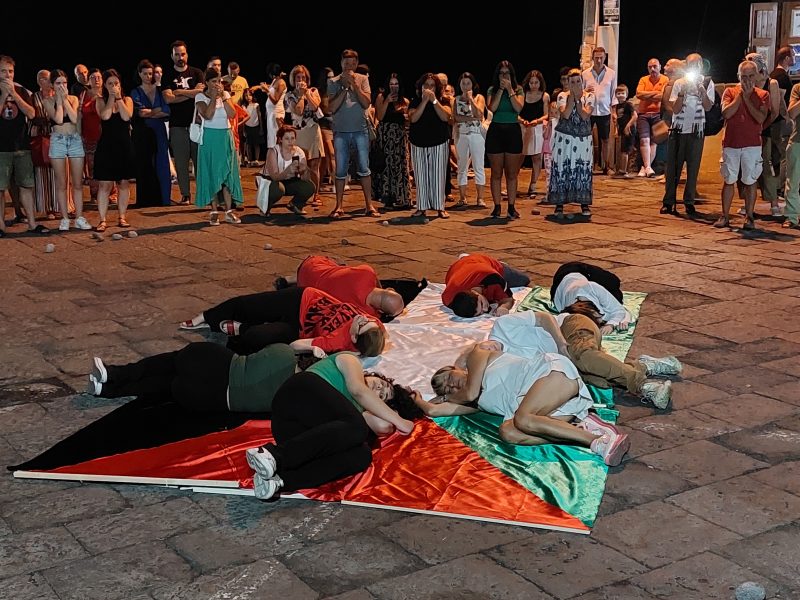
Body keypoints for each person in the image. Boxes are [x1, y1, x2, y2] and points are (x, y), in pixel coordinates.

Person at [244, 351, 422, 499]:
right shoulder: (350, 361)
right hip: (297, 394)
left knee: (362, 455)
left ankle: (280, 480)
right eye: (382, 385)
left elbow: (383, 426)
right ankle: (274, 455)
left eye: (382, 396)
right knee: (357, 427)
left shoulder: (354, 414)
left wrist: (410, 405)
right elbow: (358, 391)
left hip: (300, 435)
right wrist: (402, 423)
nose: (378, 390)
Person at [423, 345, 630, 466]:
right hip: (547, 407)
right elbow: (433, 410)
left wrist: (451, 397)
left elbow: (469, 392)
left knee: (523, 418)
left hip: (548, 373)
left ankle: (596, 441)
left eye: (449, 377)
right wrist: (415, 399)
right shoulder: (476, 402)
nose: (451, 386)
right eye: (447, 389)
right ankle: (577, 428)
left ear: (456, 367)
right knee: (508, 432)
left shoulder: (478, 356)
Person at [485, 310, 679, 409]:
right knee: (599, 381)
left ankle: (645, 385)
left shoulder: (502, 326)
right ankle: (645, 365)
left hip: (569, 327)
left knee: (582, 356)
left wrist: (561, 344)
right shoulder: (506, 362)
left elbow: (544, 318)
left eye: (482, 348)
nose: (487, 350)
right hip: (566, 359)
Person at [86, 343, 297, 413]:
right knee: (168, 384)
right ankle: (108, 390)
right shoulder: (296, 399)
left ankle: (116, 373)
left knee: (176, 361)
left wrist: (310, 346)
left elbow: (292, 345)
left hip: (218, 367)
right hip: (211, 399)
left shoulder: (285, 355)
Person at [180, 286, 387, 357]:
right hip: (303, 299)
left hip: (297, 329)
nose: (361, 317)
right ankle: (207, 317)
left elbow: (295, 345)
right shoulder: (373, 328)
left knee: (255, 337)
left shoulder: (337, 342)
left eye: (361, 323)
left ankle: (243, 328)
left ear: (353, 337)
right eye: (368, 320)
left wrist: (312, 348)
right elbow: (378, 336)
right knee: (249, 305)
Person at [714, 60, 769, 230]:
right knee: (728, 179)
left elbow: (760, 118)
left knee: (750, 180)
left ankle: (749, 216)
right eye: (743, 76)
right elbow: (726, 113)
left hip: (752, 144)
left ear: (757, 76)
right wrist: (740, 96)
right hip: (731, 143)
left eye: (751, 76)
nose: (747, 80)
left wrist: (747, 98)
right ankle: (725, 216)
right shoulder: (730, 92)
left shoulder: (762, 95)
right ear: (738, 76)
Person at [0, 55, 50, 237]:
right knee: (1, 188)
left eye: (10, 71)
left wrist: (13, 94)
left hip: (22, 146)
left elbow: (31, 112)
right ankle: (1, 226)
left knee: (26, 185)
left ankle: (31, 223)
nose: (7, 75)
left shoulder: (21, 91)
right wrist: (3, 96)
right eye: (3, 71)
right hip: (1, 148)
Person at [327, 49, 378, 219]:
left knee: (364, 168)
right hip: (341, 131)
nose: (349, 66)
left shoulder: (363, 80)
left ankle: (369, 205)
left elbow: (366, 103)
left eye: (352, 63)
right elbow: (332, 107)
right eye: (346, 63)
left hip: (360, 130)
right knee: (340, 169)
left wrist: (354, 86)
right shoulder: (333, 82)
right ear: (341, 63)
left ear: (356, 64)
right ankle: (339, 206)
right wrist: (344, 88)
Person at [661, 53, 714, 216]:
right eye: (691, 64)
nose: (694, 67)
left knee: (693, 167)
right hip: (678, 129)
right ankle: (669, 201)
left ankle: (689, 202)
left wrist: (702, 91)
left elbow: (708, 107)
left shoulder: (707, 82)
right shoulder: (679, 83)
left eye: (697, 64)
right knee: (673, 168)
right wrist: (682, 94)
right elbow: (674, 110)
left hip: (696, 130)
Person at [274, 255, 405, 320]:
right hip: (305, 291)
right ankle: (293, 281)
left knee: (340, 268)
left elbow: (375, 283)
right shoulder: (366, 313)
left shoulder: (367, 272)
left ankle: (291, 278)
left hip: (310, 266)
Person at [194, 68, 243, 226]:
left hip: (225, 136)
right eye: (214, 81)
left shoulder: (226, 95)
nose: (217, 84)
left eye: (219, 81)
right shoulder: (200, 97)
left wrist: (223, 96)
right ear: (207, 82)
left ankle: (229, 211)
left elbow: (232, 114)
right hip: (210, 138)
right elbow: (207, 116)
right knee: (212, 174)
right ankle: (214, 210)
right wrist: (214, 99)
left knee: (228, 173)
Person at [43, 70, 91, 231]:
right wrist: (59, 100)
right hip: (58, 140)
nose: (62, 86)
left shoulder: (73, 98)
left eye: (64, 83)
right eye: (58, 83)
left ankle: (79, 217)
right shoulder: (47, 101)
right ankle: (64, 218)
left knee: (77, 183)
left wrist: (65, 99)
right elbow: (57, 118)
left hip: (74, 139)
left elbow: (74, 117)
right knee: (62, 183)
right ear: (52, 85)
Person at [93, 69, 136, 231]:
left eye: (116, 83)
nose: (113, 86)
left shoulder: (127, 99)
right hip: (106, 146)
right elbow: (105, 116)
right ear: (105, 85)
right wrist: (111, 98)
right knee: (104, 184)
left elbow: (126, 116)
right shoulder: (100, 100)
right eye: (110, 83)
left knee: (124, 183)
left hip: (124, 145)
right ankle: (102, 219)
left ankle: (122, 216)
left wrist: (118, 98)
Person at [163, 40, 205, 205]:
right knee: (180, 163)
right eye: (177, 54)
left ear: (187, 54)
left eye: (183, 54)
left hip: (197, 123)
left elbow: (201, 93)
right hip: (177, 125)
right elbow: (168, 99)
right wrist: (191, 93)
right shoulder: (167, 75)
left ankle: (203, 194)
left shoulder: (197, 72)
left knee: (199, 161)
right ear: (172, 56)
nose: (180, 57)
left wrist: (179, 92)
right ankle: (185, 195)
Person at [549, 69, 594, 218]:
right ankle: (559, 204)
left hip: (583, 139)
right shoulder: (562, 96)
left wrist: (577, 101)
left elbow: (585, 115)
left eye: (578, 81)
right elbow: (566, 114)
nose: (575, 84)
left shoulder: (590, 96)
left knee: (582, 168)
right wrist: (571, 99)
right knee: (563, 166)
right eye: (572, 82)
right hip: (565, 138)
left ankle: (584, 203)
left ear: (582, 81)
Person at [408, 72, 452, 220]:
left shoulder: (444, 101)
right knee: (421, 177)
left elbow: (446, 117)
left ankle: (440, 207)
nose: (428, 88)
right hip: (418, 142)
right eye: (426, 85)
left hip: (439, 141)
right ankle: (422, 207)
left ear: (437, 88)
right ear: (421, 87)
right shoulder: (415, 102)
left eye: (432, 86)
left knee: (438, 175)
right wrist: (424, 102)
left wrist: (433, 101)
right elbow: (413, 118)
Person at [485, 60, 524, 219]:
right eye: (501, 73)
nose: (504, 76)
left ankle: (511, 206)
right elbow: (492, 108)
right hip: (496, 130)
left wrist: (510, 90)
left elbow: (518, 108)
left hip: (513, 130)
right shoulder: (492, 90)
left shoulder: (519, 89)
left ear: (511, 75)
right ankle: (497, 206)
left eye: (507, 73)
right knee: (496, 172)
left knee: (512, 173)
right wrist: (501, 90)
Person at [131, 59, 171, 207]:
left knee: (162, 164)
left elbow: (167, 111)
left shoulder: (160, 90)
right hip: (144, 132)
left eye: (151, 73)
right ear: (140, 74)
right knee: (145, 165)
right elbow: (141, 113)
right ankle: (146, 200)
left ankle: (164, 200)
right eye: (146, 74)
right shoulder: (136, 91)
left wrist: (152, 112)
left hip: (159, 130)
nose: (149, 76)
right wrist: (158, 111)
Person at [442, 253, 530, 318]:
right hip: (462, 267)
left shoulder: (493, 279)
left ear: (476, 293)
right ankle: (466, 258)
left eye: (482, 303)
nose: (485, 309)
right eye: (480, 313)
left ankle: (498, 263)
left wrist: (504, 307)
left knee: (524, 280)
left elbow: (508, 299)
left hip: (485, 264)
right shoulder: (448, 299)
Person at [373, 72, 411, 208]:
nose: (394, 86)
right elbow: (380, 116)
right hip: (385, 135)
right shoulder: (381, 97)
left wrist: (406, 117)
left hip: (399, 137)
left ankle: (401, 197)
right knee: (387, 166)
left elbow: (407, 121)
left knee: (400, 166)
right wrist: (387, 101)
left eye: (396, 84)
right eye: (391, 84)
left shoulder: (405, 101)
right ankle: (387, 197)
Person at [552, 268, 632, 331]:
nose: (601, 320)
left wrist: (611, 324)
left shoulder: (591, 288)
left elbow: (619, 310)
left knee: (613, 282)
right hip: (559, 285)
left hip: (574, 270)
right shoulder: (571, 314)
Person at [260, 124, 315, 216]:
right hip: (269, 180)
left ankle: (296, 205)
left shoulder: (299, 152)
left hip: (288, 181)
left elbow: (305, 178)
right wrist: (287, 171)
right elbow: (274, 176)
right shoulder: (273, 151)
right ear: (280, 139)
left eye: (292, 138)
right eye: (287, 138)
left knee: (309, 186)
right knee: (277, 189)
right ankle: (265, 207)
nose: (290, 141)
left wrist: (304, 170)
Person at [452, 72, 486, 207]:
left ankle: (480, 198)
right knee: (462, 165)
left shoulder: (479, 97)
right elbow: (456, 117)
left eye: (468, 83)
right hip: (462, 133)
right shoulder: (456, 99)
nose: (465, 86)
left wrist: (471, 100)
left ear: (473, 84)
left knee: (478, 165)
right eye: (463, 83)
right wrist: (471, 119)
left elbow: (480, 113)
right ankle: (462, 197)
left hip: (476, 133)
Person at [582, 47, 617, 174]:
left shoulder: (611, 73)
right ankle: (587, 165)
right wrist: (585, 92)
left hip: (604, 111)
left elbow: (613, 93)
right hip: (588, 111)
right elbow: (580, 92)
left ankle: (606, 166)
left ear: (605, 57)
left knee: (605, 139)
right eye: (596, 57)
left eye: (601, 57)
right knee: (586, 138)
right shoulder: (585, 73)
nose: (598, 60)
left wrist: (614, 112)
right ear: (592, 58)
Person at [635, 58, 669, 177]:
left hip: (658, 114)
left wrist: (647, 95)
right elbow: (639, 94)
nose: (652, 69)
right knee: (644, 140)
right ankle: (647, 166)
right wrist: (655, 94)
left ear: (660, 66)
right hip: (643, 114)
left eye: (655, 66)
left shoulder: (665, 79)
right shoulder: (643, 79)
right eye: (650, 67)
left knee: (654, 141)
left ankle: (645, 167)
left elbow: (663, 96)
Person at [519, 70, 549, 197]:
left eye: (536, 82)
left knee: (536, 157)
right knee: (519, 156)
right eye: (531, 83)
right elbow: (517, 112)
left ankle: (533, 185)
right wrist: (522, 120)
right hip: (523, 127)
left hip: (537, 127)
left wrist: (537, 121)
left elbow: (547, 114)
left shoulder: (544, 96)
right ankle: (513, 181)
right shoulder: (523, 94)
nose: (534, 85)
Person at [611, 85, 637, 178]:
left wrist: (628, 126)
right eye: (619, 93)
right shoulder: (617, 106)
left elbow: (635, 116)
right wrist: (616, 130)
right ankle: (622, 169)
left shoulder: (628, 104)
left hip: (629, 129)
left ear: (626, 94)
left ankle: (624, 171)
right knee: (622, 149)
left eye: (623, 93)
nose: (621, 95)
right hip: (622, 129)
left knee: (625, 150)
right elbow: (616, 120)